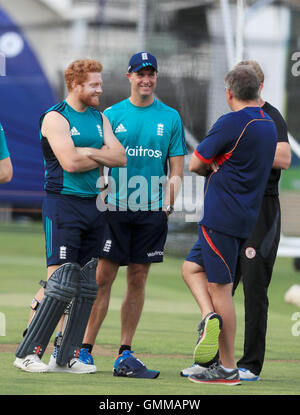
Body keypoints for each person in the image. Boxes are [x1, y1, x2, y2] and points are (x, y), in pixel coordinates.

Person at [79, 51, 188, 378]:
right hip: (113, 210)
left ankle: (125, 350)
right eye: (140, 73)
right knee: (102, 279)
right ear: (129, 76)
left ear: (155, 77)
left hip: (151, 213)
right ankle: (84, 349)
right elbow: (98, 161)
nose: (146, 79)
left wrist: (167, 206)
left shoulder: (170, 117)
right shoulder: (111, 114)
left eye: (151, 73)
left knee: (138, 278)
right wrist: (99, 198)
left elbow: (177, 168)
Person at [14, 59, 126, 373]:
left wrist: (87, 152)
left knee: (84, 282)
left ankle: (65, 355)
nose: (100, 89)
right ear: (76, 85)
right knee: (58, 279)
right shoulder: (55, 118)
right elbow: (70, 164)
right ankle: (28, 350)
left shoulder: (99, 117)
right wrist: (94, 154)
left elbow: (119, 156)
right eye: (94, 84)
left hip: (94, 205)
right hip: (63, 204)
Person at [181, 65, 277, 385]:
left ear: (229, 92)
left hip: (220, 216)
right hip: (245, 216)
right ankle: (210, 318)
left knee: (220, 290)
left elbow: (196, 162)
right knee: (191, 269)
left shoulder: (231, 121)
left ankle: (226, 367)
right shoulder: (267, 124)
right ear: (259, 90)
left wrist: (212, 164)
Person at [232, 60, 291, 381]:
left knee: (255, 290)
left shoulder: (271, 116)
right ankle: (212, 359)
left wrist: (242, 154)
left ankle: (250, 365)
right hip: (231, 210)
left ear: (260, 86)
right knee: (220, 286)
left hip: (261, 212)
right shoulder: (232, 118)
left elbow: (283, 158)